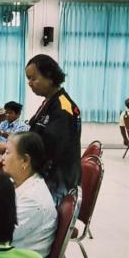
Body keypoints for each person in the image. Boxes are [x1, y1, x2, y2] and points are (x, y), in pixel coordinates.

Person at [25, 54, 81, 204]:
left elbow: (52, 147)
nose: (29, 83)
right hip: (46, 175)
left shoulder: (63, 107)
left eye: (33, 78)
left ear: (49, 76)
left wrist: (19, 149)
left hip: (57, 182)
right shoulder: (49, 102)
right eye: (28, 79)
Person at [3, 132, 58, 258]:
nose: (2, 158)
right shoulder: (19, 183)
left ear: (25, 160)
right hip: (10, 253)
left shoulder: (33, 199)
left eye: (7, 153)